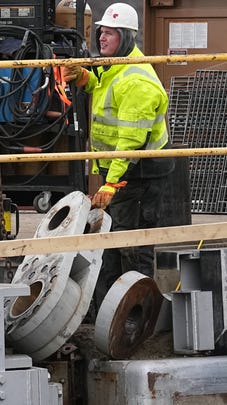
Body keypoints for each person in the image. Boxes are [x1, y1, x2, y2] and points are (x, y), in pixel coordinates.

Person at [62, 2, 174, 304]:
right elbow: (105, 91)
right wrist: (86, 79)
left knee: (134, 241)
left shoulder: (138, 80)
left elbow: (129, 141)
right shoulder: (116, 66)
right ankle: (107, 303)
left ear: (126, 37)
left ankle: (139, 308)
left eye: (109, 34)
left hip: (140, 172)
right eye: (101, 33)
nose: (102, 39)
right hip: (123, 171)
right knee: (113, 236)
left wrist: (111, 183)